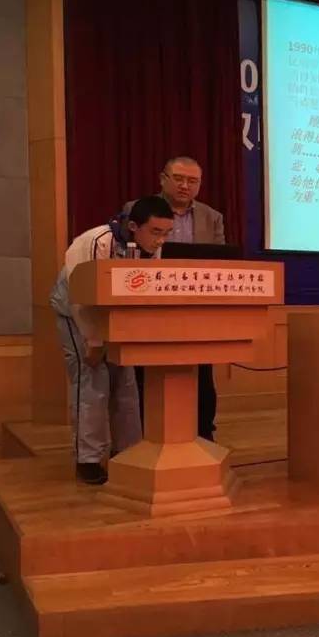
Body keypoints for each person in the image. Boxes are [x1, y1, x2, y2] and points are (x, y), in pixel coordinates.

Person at [49, 196, 175, 484]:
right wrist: (94, 341)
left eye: (166, 233)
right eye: (155, 232)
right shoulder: (97, 242)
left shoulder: (151, 248)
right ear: (133, 227)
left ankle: (127, 451)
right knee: (91, 383)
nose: (160, 240)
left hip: (117, 320)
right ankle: (88, 459)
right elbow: (81, 295)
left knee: (125, 384)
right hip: (76, 315)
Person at [122, 157, 224, 440]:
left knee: (202, 373)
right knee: (144, 371)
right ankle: (144, 433)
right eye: (178, 178)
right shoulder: (136, 209)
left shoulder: (212, 217)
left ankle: (203, 432)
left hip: (194, 308)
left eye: (192, 181)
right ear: (162, 179)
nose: (184, 186)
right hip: (148, 306)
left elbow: (220, 262)